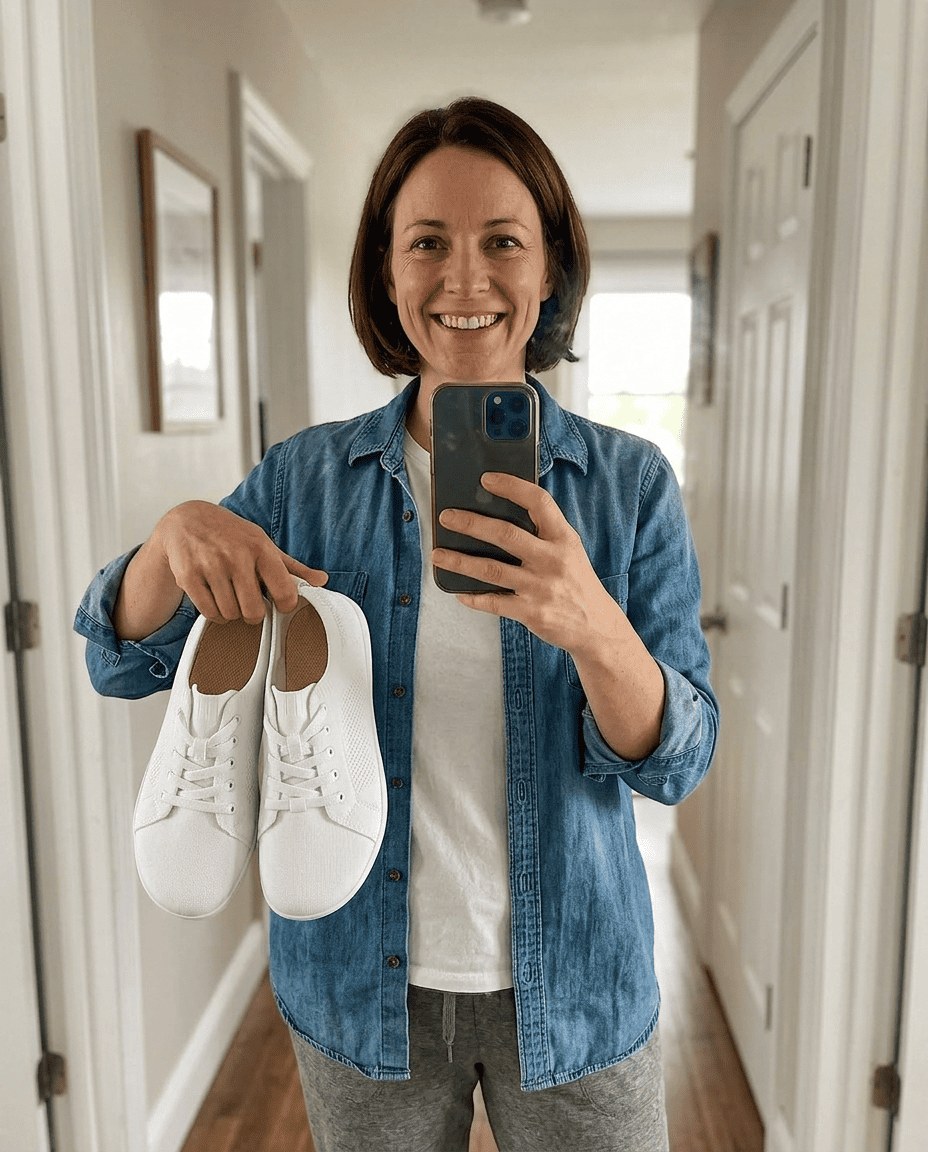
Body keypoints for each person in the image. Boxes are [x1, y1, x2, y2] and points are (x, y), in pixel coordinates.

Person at [76, 97, 718, 1152]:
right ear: (384, 271)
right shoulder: (305, 481)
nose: (464, 279)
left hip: (578, 987)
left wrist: (595, 626)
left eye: (502, 241)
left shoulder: (629, 485)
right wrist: (171, 539)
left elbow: (677, 763)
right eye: (426, 242)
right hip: (359, 988)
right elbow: (118, 660)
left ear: (550, 268)